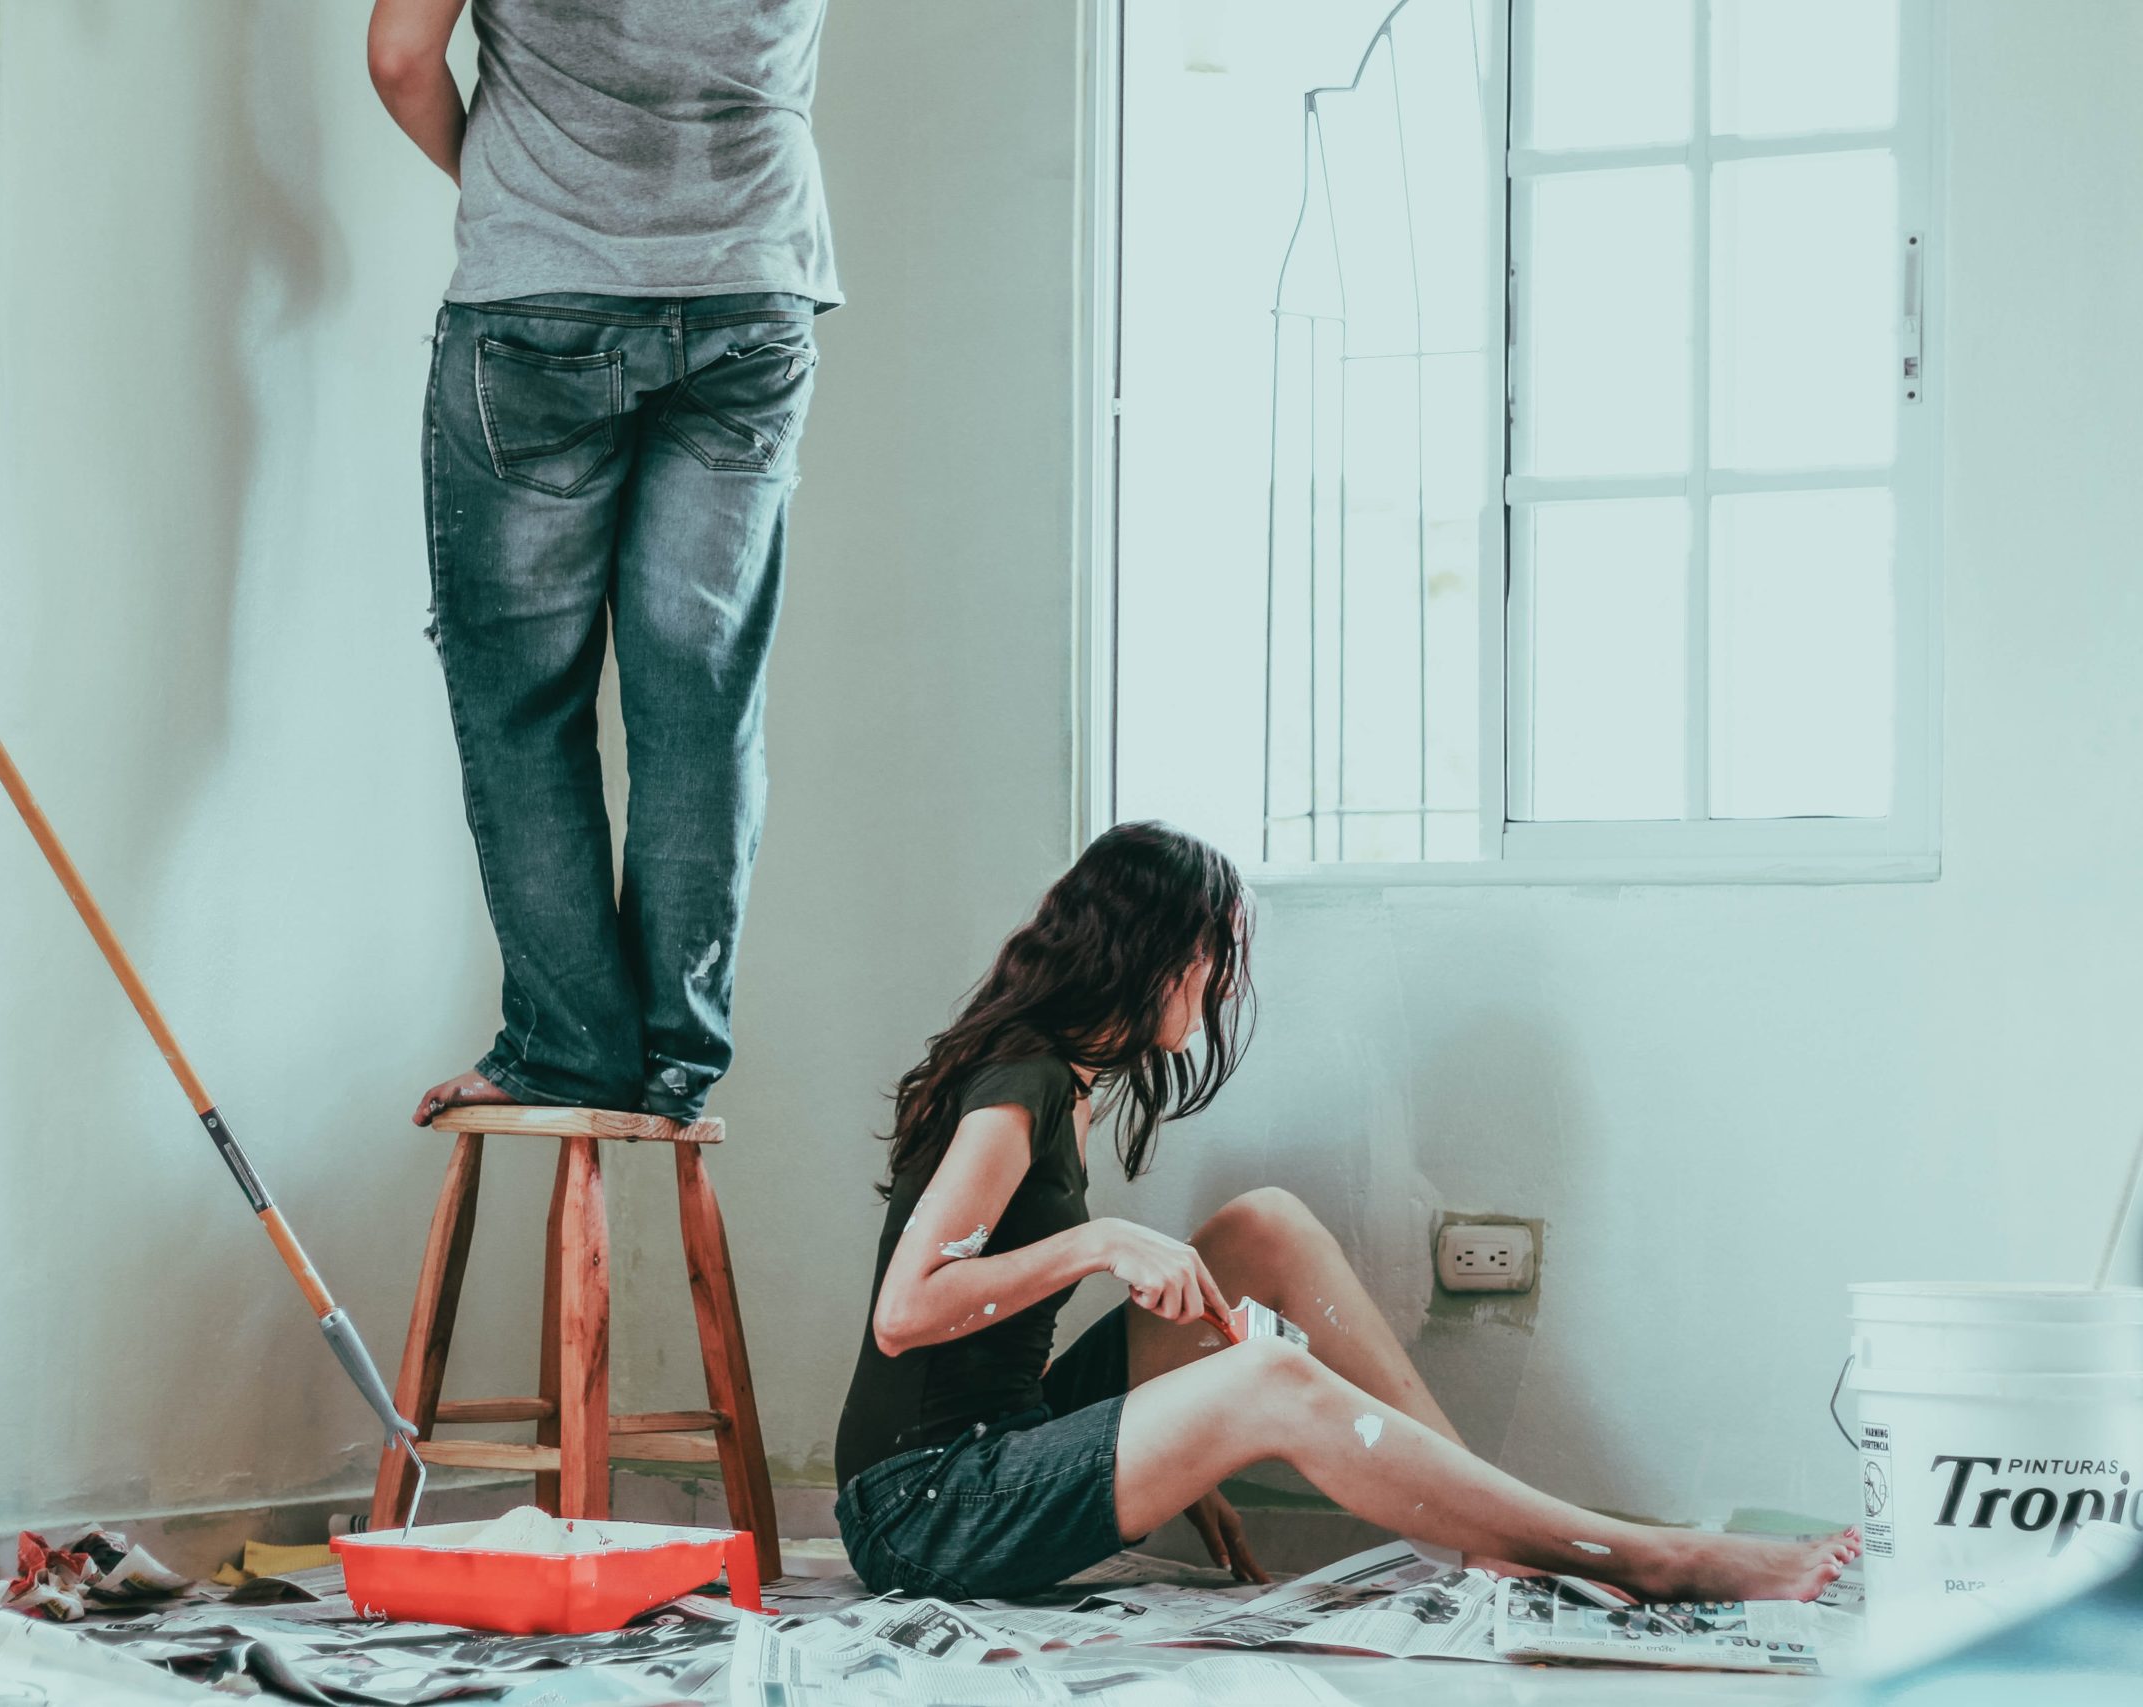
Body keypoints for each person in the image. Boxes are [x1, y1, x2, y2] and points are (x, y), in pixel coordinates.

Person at [833, 821, 1863, 1602]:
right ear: (1165, 956)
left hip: (1004, 1437)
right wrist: (1098, 1242)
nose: (1219, 987)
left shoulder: (1069, 1080)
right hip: (924, 1505)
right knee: (1267, 1375)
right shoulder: (1022, 1088)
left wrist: (1159, 1447)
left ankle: (1481, 1524)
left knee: (1262, 1227)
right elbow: (906, 1314)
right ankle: (1653, 1554)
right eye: (1214, 958)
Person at [366, 0, 838, 1123]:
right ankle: (676, 1057)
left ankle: (569, 1051)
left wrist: (505, 191)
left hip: (539, 300)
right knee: (700, 701)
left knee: (525, 706)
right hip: (752, 292)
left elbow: (398, 57)